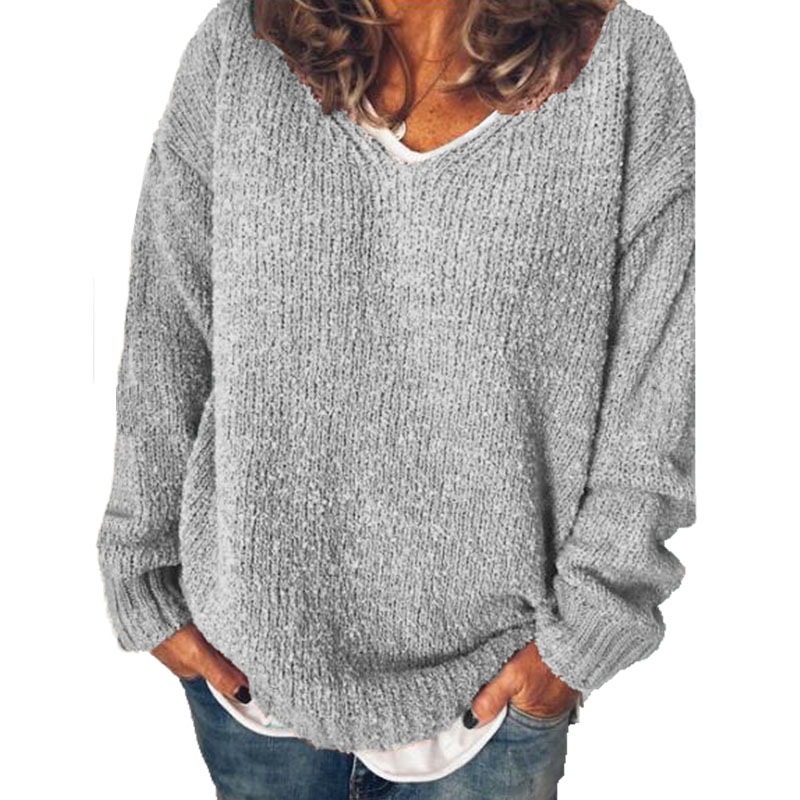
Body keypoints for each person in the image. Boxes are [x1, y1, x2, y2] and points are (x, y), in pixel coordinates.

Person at [96, 0, 696, 797]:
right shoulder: (239, 50)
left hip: (494, 699)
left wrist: (582, 639)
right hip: (249, 676)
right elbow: (167, 331)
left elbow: (660, 381)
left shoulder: (622, 69)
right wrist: (143, 573)